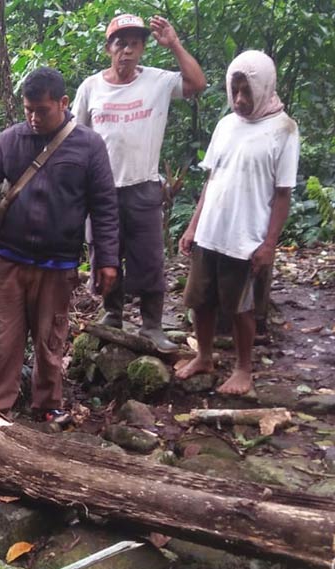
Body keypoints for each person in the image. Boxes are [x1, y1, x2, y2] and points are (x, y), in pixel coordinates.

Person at [0, 67, 119, 420]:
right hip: (9, 258)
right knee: (0, 336)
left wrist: (106, 258)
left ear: (63, 103)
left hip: (58, 263)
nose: (33, 118)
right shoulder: (11, 139)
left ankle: (47, 405)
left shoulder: (89, 145)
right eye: (28, 109)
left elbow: (104, 205)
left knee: (50, 339)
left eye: (41, 110)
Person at [71, 14, 206, 352]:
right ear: (108, 48)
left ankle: (152, 324)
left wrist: (174, 43)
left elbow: (197, 83)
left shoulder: (157, 82)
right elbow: (75, 135)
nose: (127, 51)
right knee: (106, 254)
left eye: (134, 43)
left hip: (144, 184)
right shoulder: (91, 87)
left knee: (148, 257)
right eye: (120, 43)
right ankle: (112, 313)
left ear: (144, 48)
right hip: (102, 189)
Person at [176, 50, 299, 395]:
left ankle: (244, 369)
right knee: (200, 300)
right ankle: (204, 356)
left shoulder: (283, 129)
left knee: (242, 308)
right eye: (236, 92)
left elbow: (283, 195)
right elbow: (211, 180)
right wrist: (192, 227)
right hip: (212, 231)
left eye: (248, 92)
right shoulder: (226, 125)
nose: (241, 100)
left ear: (264, 87)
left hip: (246, 237)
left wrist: (269, 244)